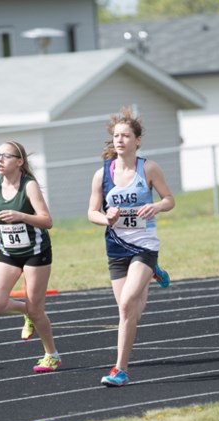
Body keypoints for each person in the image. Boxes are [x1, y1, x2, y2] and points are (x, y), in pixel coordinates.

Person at [87, 107, 175, 387]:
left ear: (137, 140)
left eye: (126, 136)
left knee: (126, 306)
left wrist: (157, 206)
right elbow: (91, 212)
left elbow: (170, 199)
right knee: (131, 313)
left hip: (144, 246)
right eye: (116, 136)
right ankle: (152, 273)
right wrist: (106, 217)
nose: (120, 140)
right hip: (116, 249)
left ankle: (120, 370)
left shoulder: (148, 168)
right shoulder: (101, 175)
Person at [0, 141, 61, 372]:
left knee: (37, 310)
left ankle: (52, 355)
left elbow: (47, 221)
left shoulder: (29, 186)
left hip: (35, 252)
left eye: (5, 156)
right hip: (8, 250)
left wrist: (21, 216)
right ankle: (27, 311)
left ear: (19, 162)